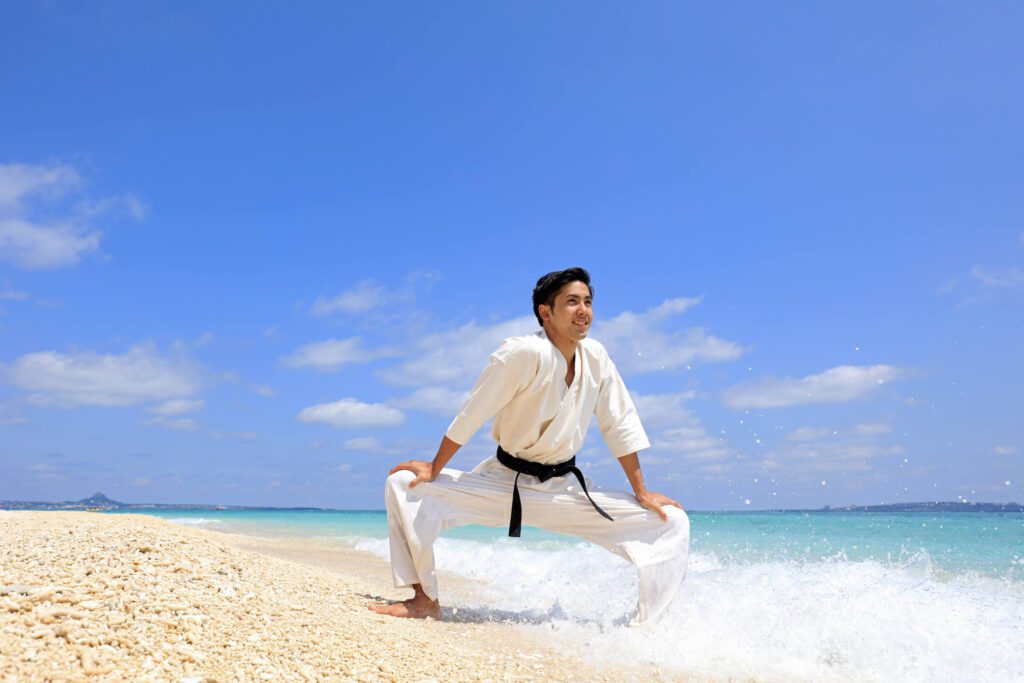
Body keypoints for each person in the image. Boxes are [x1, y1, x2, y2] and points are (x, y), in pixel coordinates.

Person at [368, 267, 690, 624]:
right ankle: (424, 599)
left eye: (587, 301)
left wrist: (641, 492)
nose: (583, 309)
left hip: (564, 491)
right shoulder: (522, 352)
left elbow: (619, 422)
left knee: (672, 521)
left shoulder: (596, 356)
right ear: (545, 312)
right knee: (401, 485)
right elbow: (472, 414)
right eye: (572, 302)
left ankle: (648, 628)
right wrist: (435, 468)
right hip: (503, 485)